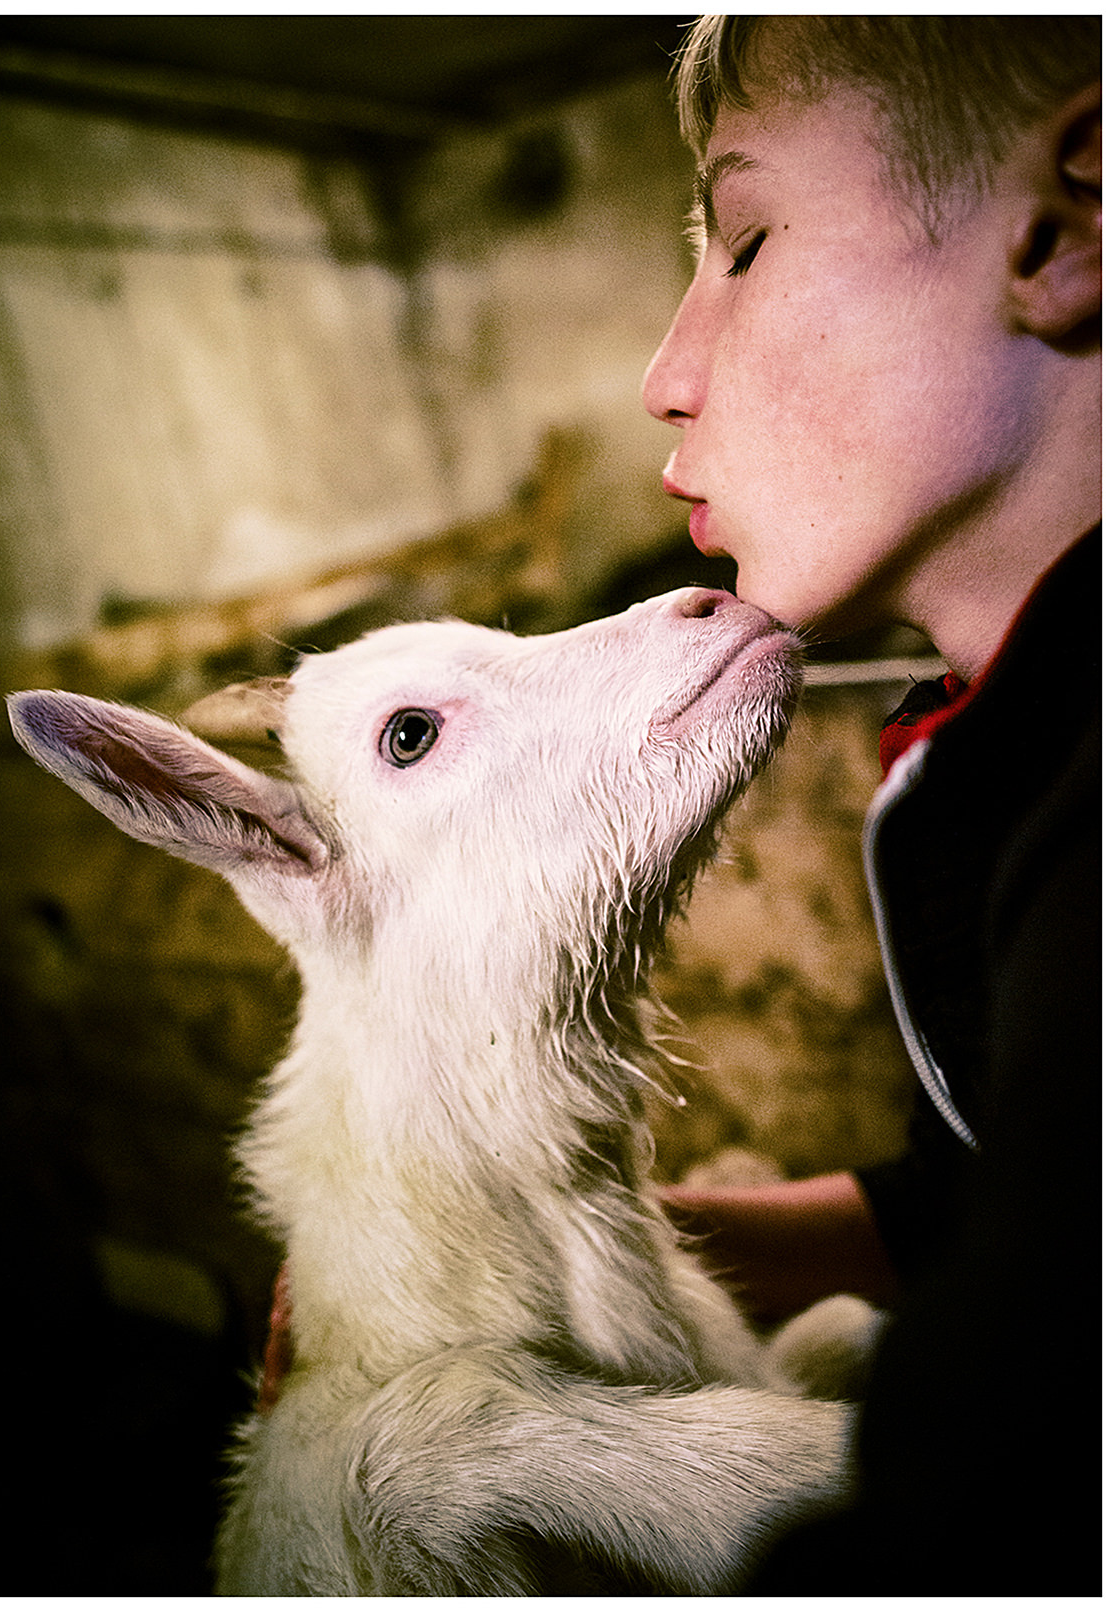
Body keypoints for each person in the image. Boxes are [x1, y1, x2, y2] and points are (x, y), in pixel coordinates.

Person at [645, 16, 1100, 1594]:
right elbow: (1000, 1202)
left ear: (1069, 227)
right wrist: (586, 1268)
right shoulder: (1018, 741)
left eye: (746, 239)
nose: (665, 373)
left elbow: (984, 1520)